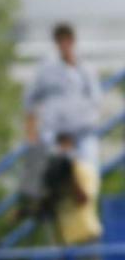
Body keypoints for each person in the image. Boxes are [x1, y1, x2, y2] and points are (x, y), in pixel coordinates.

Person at [23, 23, 102, 171]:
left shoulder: (86, 69)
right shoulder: (46, 70)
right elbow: (30, 100)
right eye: (61, 41)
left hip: (82, 134)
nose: (64, 44)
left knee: (86, 179)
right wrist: (31, 132)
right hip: (54, 136)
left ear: (73, 41)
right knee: (54, 181)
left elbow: (95, 101)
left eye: (68, 40)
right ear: (56, 43)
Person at [49, 132, 104, 260]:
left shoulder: (85, 169)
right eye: (60, 146)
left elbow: (83, 200)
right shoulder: (53, 172)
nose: (63, 151)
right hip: (61, 234)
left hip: (85, 232)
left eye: (66, 146)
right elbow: (47, 201)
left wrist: (71, 172)